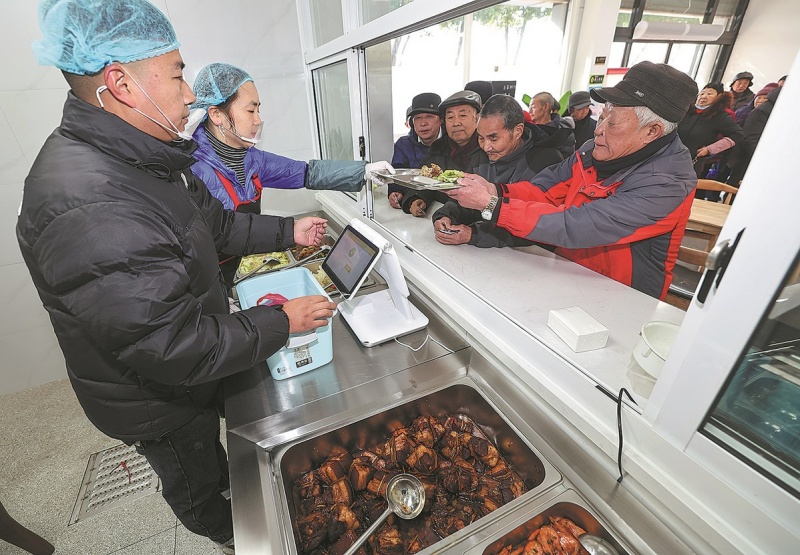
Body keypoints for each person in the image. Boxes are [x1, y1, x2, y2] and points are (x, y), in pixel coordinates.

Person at [18, 1, 338, 553]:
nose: (190, 92)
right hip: (153, 401)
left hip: (184, 366)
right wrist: (279, 320)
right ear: (122, 83)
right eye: (176, 73)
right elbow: (170, 344)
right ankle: (233, 535)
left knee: (227, 443)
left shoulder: (141, 159)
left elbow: (213, 227)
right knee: (197, 480)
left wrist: (288, 232)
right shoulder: (93, 202)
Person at [444, 62, 699, 300]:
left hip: (621, 297)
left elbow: (575, 226)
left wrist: (491, 205)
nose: (599, 129)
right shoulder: (592, 151)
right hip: (566, 276)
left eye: (614, 123)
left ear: (651, 131)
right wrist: (495, 190)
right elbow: (543, 190)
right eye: (603, 117)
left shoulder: (667, 184)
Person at [190, 62, 388, 287]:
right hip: (200, 281)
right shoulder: (192, 169)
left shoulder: (253, 159)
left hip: (226, 274)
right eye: (250, 110)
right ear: (216, 114)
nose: (258, 120)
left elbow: (306, 172)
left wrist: (363, 171)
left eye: (259, 110)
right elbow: (221, 233)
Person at [431, 94, 563, 247]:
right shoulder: (481, 155)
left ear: (518, 131)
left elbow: (539, 224)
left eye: (493, 138)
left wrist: (474, 234)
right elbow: (467, 199)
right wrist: (446, 216)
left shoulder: (546, 161)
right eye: (480, 138)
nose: (486, 147)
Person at [395, 90, 488, 217]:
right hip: (438, 220)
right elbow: (425, 180)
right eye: (450, 117)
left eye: (462, 116)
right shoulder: (437, 149)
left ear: (476, 118)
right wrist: (417, 198)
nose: (456, 123)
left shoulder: (489, 150)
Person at [677, 82, 743, 200]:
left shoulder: (720, 117)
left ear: (719, 97)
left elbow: (737, 135)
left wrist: (709, 149)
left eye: (709, 94)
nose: (703, 96)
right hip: (666, 159)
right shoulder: (686, 110)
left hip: (691, 164)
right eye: (702, 93)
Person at [389, 92, 443, 210]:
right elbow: (397, 175)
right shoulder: (403, 144)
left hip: (442, 209)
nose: (423, 123)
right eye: (417, 118)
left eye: (429, 116)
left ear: (441, 120)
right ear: (412, 122)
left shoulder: (451, 144)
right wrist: (395, 193)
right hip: (412, 208)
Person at [727, 86, 782, 189]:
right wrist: (765, 161)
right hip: (748, 161)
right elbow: (750, 139)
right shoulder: (763, 110)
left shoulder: (777, 111)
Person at [528, 92, 576, 157]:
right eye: (529, 107)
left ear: (545, 107)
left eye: (533, 107)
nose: (529, 111)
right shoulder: (528, 130)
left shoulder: (564, 134)